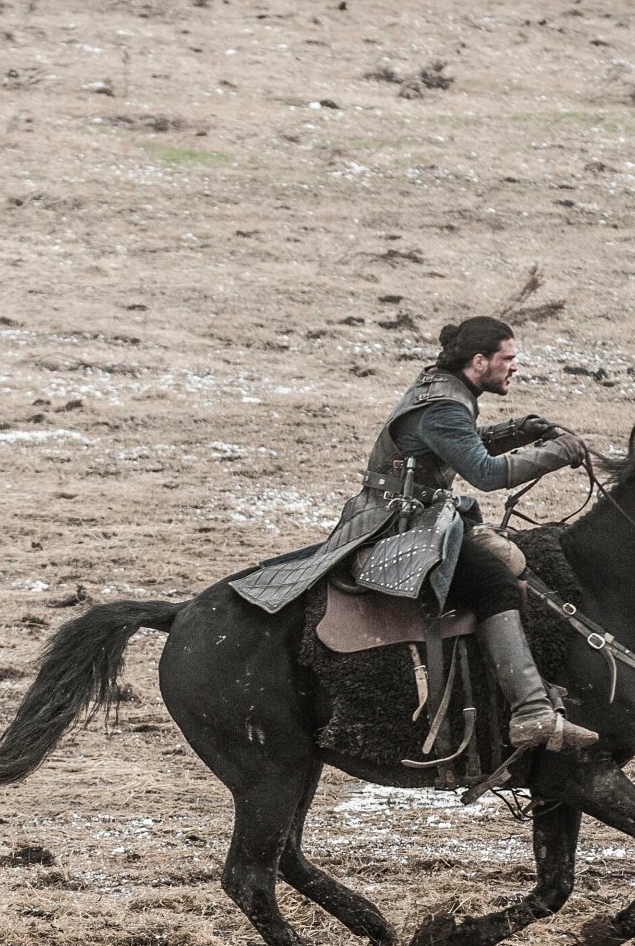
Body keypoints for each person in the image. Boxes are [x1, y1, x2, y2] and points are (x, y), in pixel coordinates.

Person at [231, 315, 599, 751]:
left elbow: (460, 444)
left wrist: (517, 431)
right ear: (479, 361)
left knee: (513, 560)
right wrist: (556, 452)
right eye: (508, 358)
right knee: (495, 583)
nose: (514, 366)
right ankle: (531, 713)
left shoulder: (443, 389)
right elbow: (483, 472)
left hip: (420, 517)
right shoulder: (444, 405)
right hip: (393, 528)